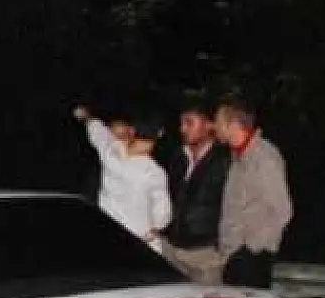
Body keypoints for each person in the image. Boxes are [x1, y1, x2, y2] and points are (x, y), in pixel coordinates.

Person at [214, 98, 292, 289]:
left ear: (233, 125)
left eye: (218, 122)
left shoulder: (263, 158)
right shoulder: (238, 156)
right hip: (234, 254)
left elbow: (283, 211)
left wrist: (251, 247)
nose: (213, 127)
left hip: (251, 257)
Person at [73, 105, 171, 250]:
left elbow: (97, 130)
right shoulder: (155, 174)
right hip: (142, 243)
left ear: (131, 131)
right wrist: (154, 229)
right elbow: (163, 216)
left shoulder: (110, 151)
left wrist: (86, 116)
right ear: (160, 133)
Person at [161, 99, 233, 283]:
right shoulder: (178, 157)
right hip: (172, 249)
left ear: (209, 125)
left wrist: (224, 244)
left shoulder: (224, 161)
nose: (183, 129)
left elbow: (234, 205)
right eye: (181, 123)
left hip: (206, 253)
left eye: (189, 122)